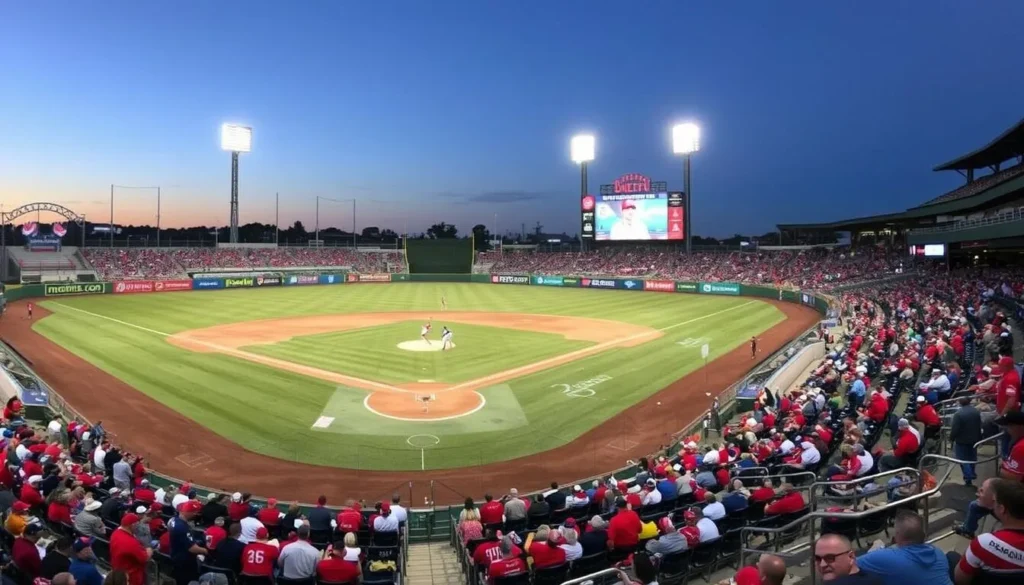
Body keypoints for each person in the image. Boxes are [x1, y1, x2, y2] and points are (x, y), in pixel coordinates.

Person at [951, 478, 1024, 584]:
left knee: (950, 557)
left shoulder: (983, 543)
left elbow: (960, 580)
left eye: (995, 502)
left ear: (1002, 509)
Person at [855, 511, 952, 585]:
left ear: (897, 535)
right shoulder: (938, 553)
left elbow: (852, 564)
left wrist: (874, 551)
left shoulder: (887, 558)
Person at [814, 533, 883, 583]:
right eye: (818, 558)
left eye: (830, 558)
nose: (822, 564)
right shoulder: (874, 579)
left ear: (851, 557)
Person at [169, 500, 208, 585]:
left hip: (176, 553)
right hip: (184, 561)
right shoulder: (182, 527)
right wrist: (205, 551)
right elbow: (192, 549)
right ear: (190, 512)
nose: (196, 514)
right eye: (195, 512)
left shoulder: (174, 519)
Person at [110, 514, 152, 585]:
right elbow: (145, 558)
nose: (138, 525)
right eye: (137, 523)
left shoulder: (116, 533)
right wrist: (149, 549)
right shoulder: (131, 543)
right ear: (132, 525)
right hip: (131, 576)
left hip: (118, 571)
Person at [949, 396, 982, 486]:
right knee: (972, 457)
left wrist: (951, 439)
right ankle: (972, 473)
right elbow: (979, 425)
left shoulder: (958, 414)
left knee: (963, 459)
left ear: (960, 403)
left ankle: (968, 476)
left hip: (962, 440)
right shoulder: (976, 411)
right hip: (974, 439)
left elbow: (955, 429)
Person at [723, 554, 787, 585]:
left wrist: (730, 583)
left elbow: (730, 581)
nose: (757, 564)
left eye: (759, 568)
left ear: (763, 577)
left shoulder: (748, 572)